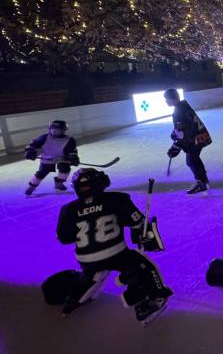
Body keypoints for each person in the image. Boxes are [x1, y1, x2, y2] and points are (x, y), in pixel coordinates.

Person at [55, 168, 172, 325]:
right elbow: (137, 222)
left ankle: (80, 292)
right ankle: (153, 299)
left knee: (90, 272)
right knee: (143, 266)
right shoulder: (117, 199)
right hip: (115, 254)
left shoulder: (67, 209)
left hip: (85, 259)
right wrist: (143, 234)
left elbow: (64, 238)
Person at [164, 89, 212, 194]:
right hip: (200, 136)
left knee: (191, 161)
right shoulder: (184, 106)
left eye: (166, 99)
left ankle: (201, 183)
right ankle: (203, 179)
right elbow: (185, 126)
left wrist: (175, 147)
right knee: (194, 159)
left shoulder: (178, 112)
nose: (166, 101)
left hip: (195, 139)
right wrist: (175, 132)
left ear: (172, 99)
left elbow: (183, 133)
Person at [24, 120, 80, 196]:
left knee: (65, 169)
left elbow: (72, 150)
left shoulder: (69, 140)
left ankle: (59, 183)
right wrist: (30, 151)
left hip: (62, 158)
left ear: (63, 130)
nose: (54, 131)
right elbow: (33, 144)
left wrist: (72, 157)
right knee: (41, 173)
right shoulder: (44, 138)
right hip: (47, 159)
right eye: (53, 129)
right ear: (50, 129)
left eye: (58, 130)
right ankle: (32, 186)